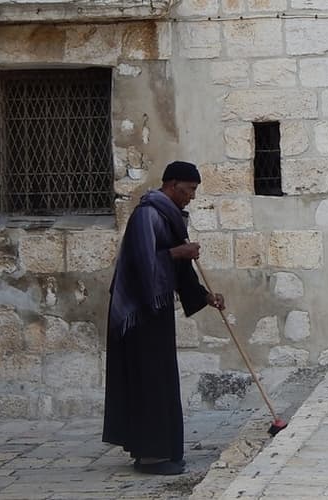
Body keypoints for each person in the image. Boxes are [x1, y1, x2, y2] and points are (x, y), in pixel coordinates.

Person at [102, 161, 226, 476]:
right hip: (138, 313)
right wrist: (177, 253)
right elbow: (141, 263)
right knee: (149, 383)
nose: (192, 197)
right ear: (172, 185)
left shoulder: (169, 216)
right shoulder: (147, 215)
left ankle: (162, 451)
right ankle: (150, 458)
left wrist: (205, 297)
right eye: (189, 190)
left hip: (154, 312)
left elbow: (179, 270)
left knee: (161, 381)